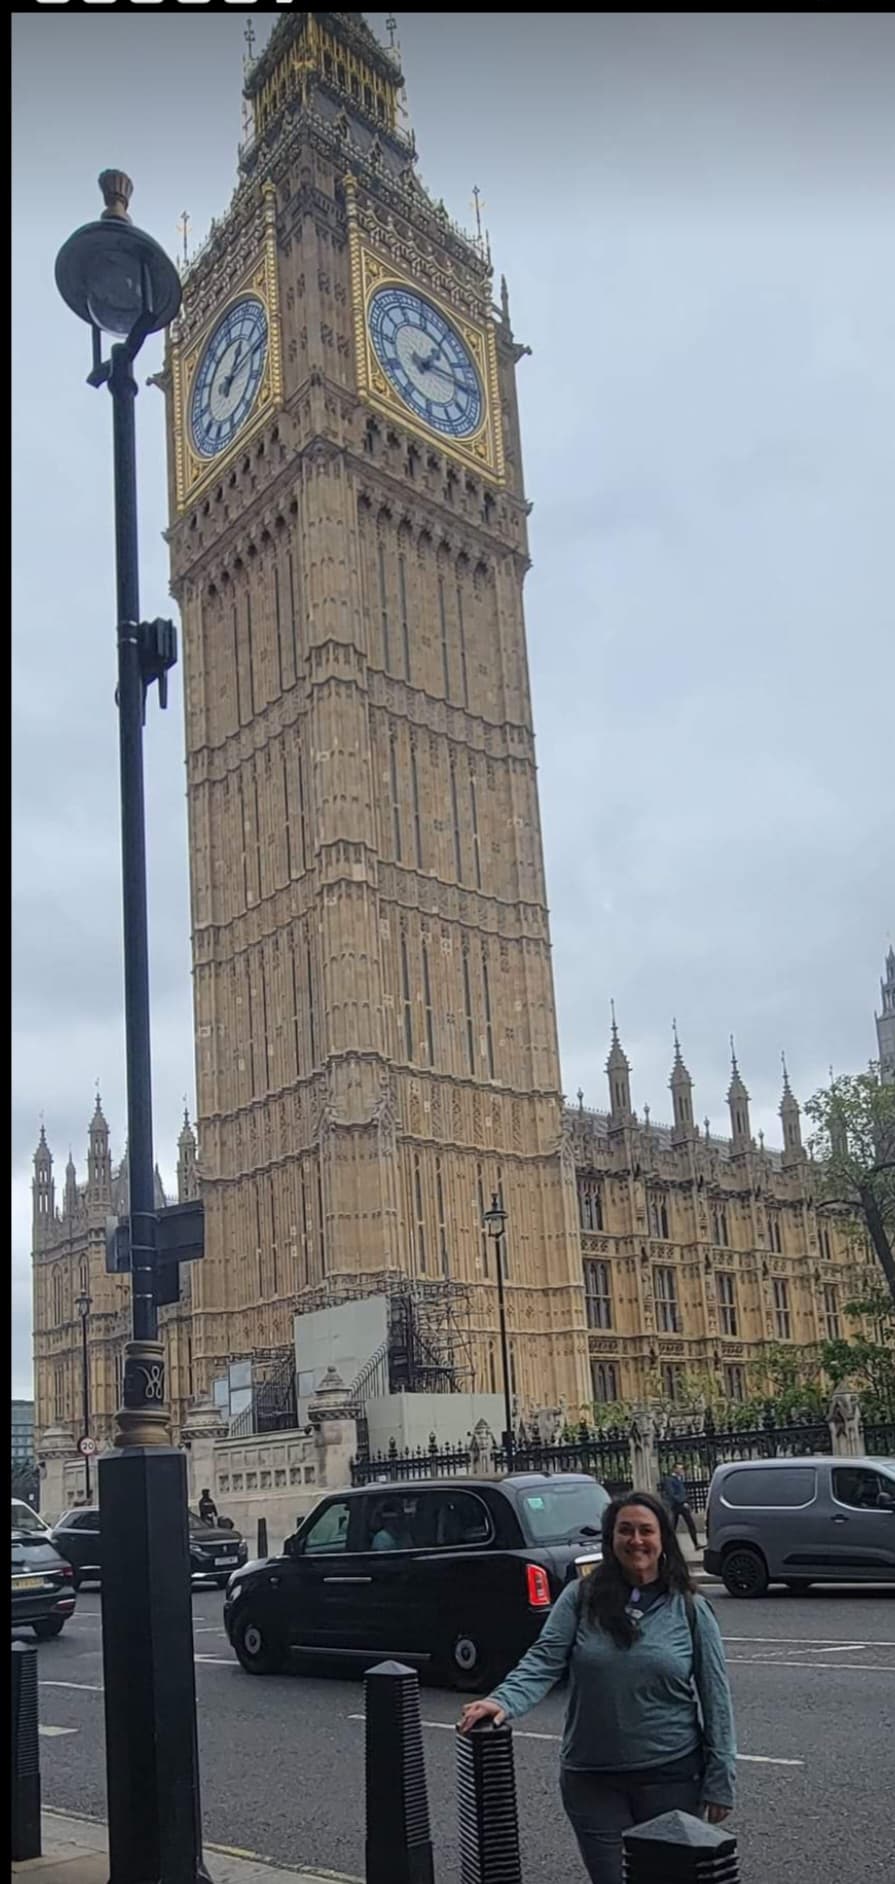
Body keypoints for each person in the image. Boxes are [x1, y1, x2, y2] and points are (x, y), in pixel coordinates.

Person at [458, 1491, 736, 1884]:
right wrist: (501, 1700)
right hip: (592, 1780)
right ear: (610, 1539)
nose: (636, 1540)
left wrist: (720, 1778)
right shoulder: (580, 1598)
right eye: (625, 1530)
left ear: (662, 1541)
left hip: (672, 1777)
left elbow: (716, 1697)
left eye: (646, 1531)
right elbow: (543, 1660)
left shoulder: (689, 1606)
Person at [659, 1463, 699, 1549]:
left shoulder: (679, 1479)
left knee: (691, 1524)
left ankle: (696, 1544)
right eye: (680, 1469)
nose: (682, 1471)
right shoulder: (669, 1480)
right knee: (672, 1526)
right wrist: (682, 1502)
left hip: (682, 1506)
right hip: (675, 1506)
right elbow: (672, 1494)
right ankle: (667, 1545)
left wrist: (687, 1502)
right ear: (675, 1470)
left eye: (682, 1469)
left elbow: (683, 1492)